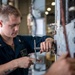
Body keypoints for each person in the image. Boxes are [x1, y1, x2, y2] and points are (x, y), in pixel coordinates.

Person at [0, 5, 53, 75]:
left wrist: (48, 41)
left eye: (18, 24)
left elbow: (44, 38)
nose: (17, 29)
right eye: (12, 25)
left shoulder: (21, 41)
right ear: (0, 23)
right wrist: (17, 63)